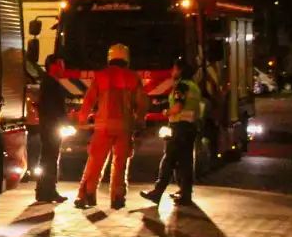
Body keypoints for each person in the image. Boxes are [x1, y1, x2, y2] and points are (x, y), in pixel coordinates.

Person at [75, 44, 149, 209]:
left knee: (95, 162)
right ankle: (117, 198)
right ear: (126, 59)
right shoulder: (133, 77)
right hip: (124, 127)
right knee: (120, 163)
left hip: (103, 127)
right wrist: (139, 121)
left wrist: (82, 120)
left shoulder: (101, 76)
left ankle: (86, 195)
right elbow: (142, 103)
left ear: (110, 58)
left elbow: (89, 100)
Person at [141, 62, 202, 207]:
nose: (172, 72)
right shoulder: (195, 87)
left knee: (169, 160)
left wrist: (166, 112)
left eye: (174, 69)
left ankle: (157, 193)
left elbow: (178, 106)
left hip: (179, 127)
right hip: (190, 127)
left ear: (180, 71)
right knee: (186, 162)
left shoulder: (181, 86)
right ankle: (185, 194)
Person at [34, 54, 69, 203]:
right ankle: (48, 191)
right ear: (53, 66)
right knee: (50, 159)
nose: (63, 69)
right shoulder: (50, 84)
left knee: (48, 158)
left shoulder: (48, 82)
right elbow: (53, 108)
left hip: (49, 126)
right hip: (51, 127)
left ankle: (43, 191)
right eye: (61, 65)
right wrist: (63, 121)